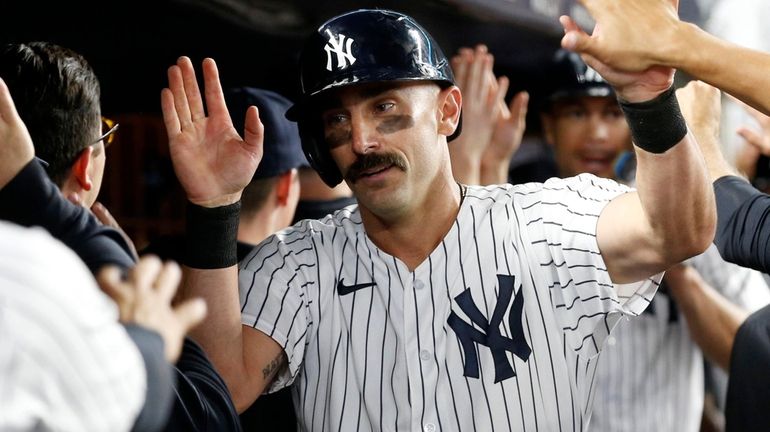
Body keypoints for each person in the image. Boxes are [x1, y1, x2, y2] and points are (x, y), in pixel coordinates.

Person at [163, 8, 715, 430]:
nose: (361, 141)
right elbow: (220, 390)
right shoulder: (296, 261)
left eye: (383, 106)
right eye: (337, 119)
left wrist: (648, 98)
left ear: (447, 112)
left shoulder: (546, 222)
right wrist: (214, 210)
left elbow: (680, 230)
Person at [0, 43, 240, 431]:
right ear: (84, 168)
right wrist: (121, 266)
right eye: (104, 139)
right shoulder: (61, 287)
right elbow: (211, 419)